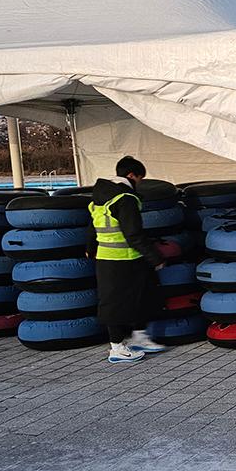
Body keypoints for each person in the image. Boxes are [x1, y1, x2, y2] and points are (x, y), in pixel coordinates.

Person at [87, 156, 167, 364]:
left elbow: (92, 227)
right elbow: (133, 233)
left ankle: (139, 336)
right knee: (114, 304)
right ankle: (117, 348)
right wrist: (155, 257)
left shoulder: (99, 196)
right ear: (132, 175)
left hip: (113, 257)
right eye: (140, 179)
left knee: (144, 295)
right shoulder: (126, 198)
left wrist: (90, 250)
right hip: (121, 259)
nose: (139, 183)